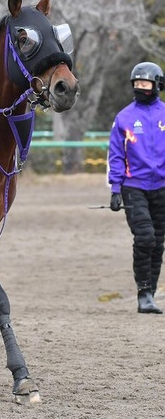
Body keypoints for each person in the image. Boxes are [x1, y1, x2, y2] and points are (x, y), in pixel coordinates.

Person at [108, 61, 165, 314]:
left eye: (146, 84)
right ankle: (143, 293)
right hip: (134, 187)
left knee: (158, 243)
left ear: (157, 86)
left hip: (161, 187)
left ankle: (150, 294)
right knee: (145, 238)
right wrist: (115, 189)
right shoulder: (124, 117)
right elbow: (116, 154)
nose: (141, 88)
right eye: (137, 84)